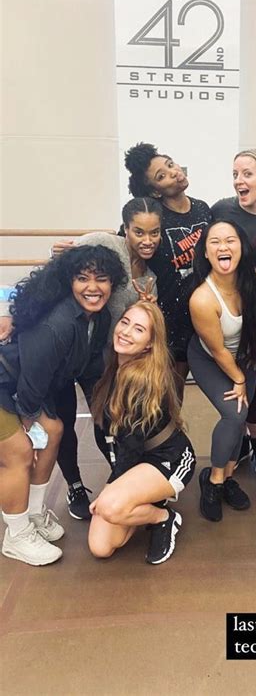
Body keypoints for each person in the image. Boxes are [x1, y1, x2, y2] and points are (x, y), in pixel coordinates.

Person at [0, 246, 126, 565]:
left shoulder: (98, 317)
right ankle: (16, 535)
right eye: (82, 279)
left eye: (101, 279)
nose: (92, 287)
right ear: (69, 282)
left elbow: (88, 368)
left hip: (18, 385)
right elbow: (31, 383)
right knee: (19, 452)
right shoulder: (57, 324)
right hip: (10, 384)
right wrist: (29, 428)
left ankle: (34, 514)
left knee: (54, 429)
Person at [40, 197, 162, 520]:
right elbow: (64, 266)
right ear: (126, 229)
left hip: (100, 357)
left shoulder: (150, 279)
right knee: (64, 421)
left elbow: (142, 324)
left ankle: (121, 474)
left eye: (154, 233)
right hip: (66, 348)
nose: (147, 240)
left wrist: (148, 305)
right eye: (139, 232)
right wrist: (54, 256)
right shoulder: (102, 242)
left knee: (106, 416)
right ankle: (75, 485)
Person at [88, 303, 195, 563]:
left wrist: (108, 492)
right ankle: (150, 500)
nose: (125, 332)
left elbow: (130, 447)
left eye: (138, 329)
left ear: (149, 344)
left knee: (110, 506)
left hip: (170, 459)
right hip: (137, 460)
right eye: (124, 322)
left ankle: (165, 517)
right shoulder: (114, 367)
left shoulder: (140, 379)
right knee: (101, 547)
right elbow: (108, 437)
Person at [188, 220, 256, 521]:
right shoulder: (202, 299)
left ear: (241, 247)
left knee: (242, 415)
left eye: (230, 240)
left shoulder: (254, 278)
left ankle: (226, 476)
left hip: (245, 355)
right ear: (205, 253)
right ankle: (213, 480)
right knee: (233, 414)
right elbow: (219, 351)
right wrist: (239, 379)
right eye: (215, 242)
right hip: (211, 359)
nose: (223, 247)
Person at [124, 143, 212, 399]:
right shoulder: (154, 217)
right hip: (170, 322)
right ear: (154, 190)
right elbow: (125, 242)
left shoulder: (203, 208)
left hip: (204, 315)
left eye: (170, 165)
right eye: (161, 176)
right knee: (168, 395)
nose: (173, 173)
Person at [212, 148, 256, 473]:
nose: (239, 180)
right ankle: (254, 442)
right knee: (245, 382)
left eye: (247, 174)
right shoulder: (222, 210)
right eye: (235, 174)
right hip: (235, 313)